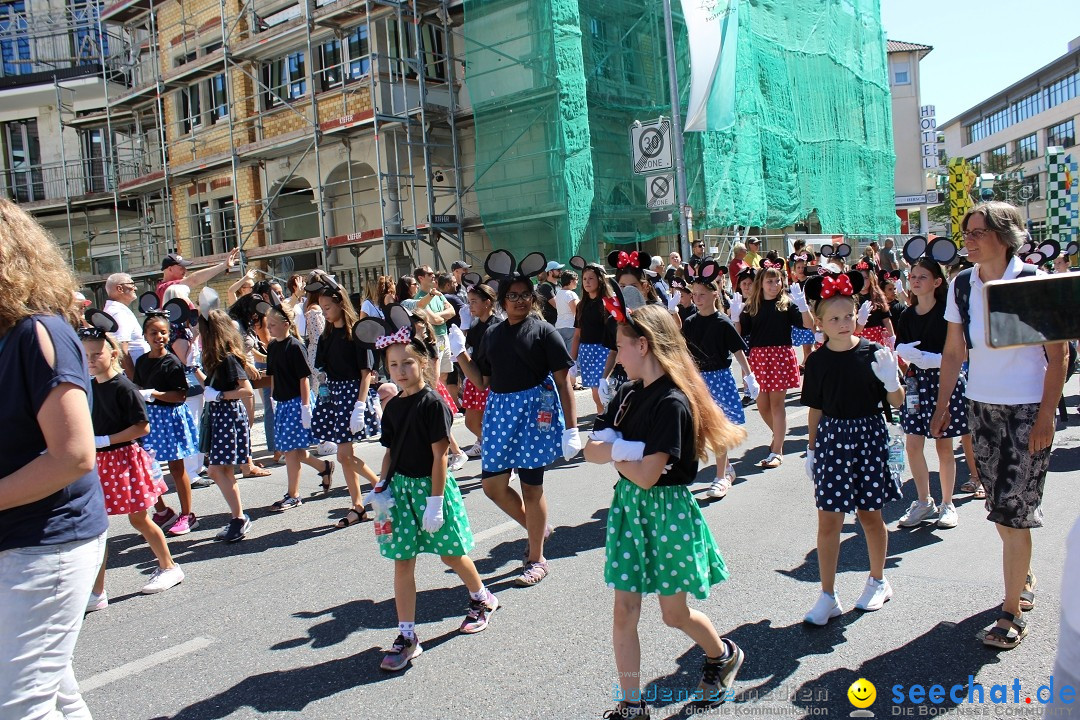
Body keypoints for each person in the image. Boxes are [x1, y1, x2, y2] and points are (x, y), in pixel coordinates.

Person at [584, 305, 746, 718]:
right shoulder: (627, 394)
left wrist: (618, 450)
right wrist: (628, 453)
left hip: (667, 509)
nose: (617, 356)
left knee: (674, 614)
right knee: (625, 609)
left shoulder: (672, 402)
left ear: (643, 344)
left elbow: (647, 476)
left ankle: (722, 654)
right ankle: (631, 704)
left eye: (621, 347)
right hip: (629, 509)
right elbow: (589, 451)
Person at [933, 201, 1067, 650]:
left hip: (1027, 410)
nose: (967, 239)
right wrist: (942, 405)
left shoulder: (1033, 282)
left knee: (1014, 512)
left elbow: (1058, 355)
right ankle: (1022, 573)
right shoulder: (962, 286)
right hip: (980, 409)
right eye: (966, 232)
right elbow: (954, 352)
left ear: (1005, 236)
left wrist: (1047, 416)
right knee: (998, 505)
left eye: (977, 232)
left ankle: (1011, 612)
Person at [0, 198, 107, 719]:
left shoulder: (38, 333)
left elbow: (73, 456)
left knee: (20, 707)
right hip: (19, 543)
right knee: (57, 698)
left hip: (45, 545)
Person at [359, 322, 497, 672]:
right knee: (403, 561)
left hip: (431, 489)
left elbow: (440, 457)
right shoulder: (392, 407)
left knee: (451, 554)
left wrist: (435, 502)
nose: (400, 371)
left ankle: (482, 597)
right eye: (393, 365)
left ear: (421, 362)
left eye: (407, 363)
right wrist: (381, 486)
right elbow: (389, 451)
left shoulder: (434, 403)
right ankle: (407, 635)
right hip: (401, 490)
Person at [457, 251, 580, 587]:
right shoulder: (493, 335)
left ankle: (537, 557)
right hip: (499, 413)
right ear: (503, 300)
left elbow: (563, 380)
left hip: (534, 413)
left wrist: (572, 428)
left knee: (530, 485)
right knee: (492, 486)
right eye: (513, 295)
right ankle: (536, 528)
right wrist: (458, 354)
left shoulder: (543, 331)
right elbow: (481, 380)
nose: (520, 300)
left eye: (526, 294)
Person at [801, 270, 904, 625]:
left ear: (858, 315)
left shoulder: (874, 352)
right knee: (828, 520)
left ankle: (879, 580)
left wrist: (892, 381)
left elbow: (898, 400)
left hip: (869, 436)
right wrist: (812, 449)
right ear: (820, 323)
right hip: (832, 439)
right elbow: (815, 408)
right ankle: (827, 595)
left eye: (849, 316)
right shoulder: (816, 361)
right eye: (834, 318)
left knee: (870, 516)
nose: (843, 323)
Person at [81, 315, 183, 607]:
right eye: (86, 354)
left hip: (124, 459)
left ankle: (169, 567)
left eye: (96, 353)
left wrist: (105, 440)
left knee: (139, 518)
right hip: (99, 462)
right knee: (97, 526)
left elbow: (143, 427)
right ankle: (97, 590)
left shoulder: (124, 387)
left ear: (113, 353)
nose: (91, 359)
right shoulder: (89, 387)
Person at [893, 258, 968, 530]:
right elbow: (900, 345)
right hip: (915, 383)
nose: (915, 280)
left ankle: (948, 504)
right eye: (913, 275)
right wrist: (903, 352)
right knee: (913, 444)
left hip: (944, 381)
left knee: (943, 444)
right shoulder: (906, 314)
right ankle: (924, 501)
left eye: (922, 276)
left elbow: (960, 351)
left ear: (937, 282)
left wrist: (932, 359)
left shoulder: (948, 313)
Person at [309, 273, 381, 527]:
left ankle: (378, 487)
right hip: (335, 397)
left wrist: (360, 406)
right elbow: (323, 367)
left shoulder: (358, 334)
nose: (325, 313)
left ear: (340, 303)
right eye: (323, 308)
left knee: (343, 455)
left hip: (353, 396)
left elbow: (366, 374)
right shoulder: (327, 336)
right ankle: (360, 504)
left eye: (328, 307)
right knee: (344, 455)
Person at [683, 262, 756, 498]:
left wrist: (749, 376)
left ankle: (721, 476)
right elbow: (683, 353)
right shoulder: (691, 323)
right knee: (700, 430)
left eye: (702, 294)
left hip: (720, 379)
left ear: (715, 293)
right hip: (698, 381)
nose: (697, 298)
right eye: (694, 294)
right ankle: (727, 469)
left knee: (719, 428)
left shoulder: (722, 322)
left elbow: (738, 352)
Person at [732, 266, 813, 468]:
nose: (774, 285)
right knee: (762, 406)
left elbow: (809, 325)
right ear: (761, 283)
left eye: (777, 281)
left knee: (777, 405)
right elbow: (739, 335)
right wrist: (735, 317)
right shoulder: (752, 306)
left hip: (780, 356)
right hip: (758, 358)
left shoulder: (787, 305)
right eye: (770, 281)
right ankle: (778, 437)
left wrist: (803, 306)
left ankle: (777, 450)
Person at [264, 302, 335, 511]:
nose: (269, 328)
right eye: (268, 324)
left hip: (297, 402)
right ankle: (324, 467)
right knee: (293, 450)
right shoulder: (272, 346)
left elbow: (304, 379)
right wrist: (273, 400)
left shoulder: (295, 346)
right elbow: (273, 376)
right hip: (283, 403)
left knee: (291, 451)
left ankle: (293, 495)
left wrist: (306, 408)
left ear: (286, 324)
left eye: (273, 324)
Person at [135, 311, 200, 536]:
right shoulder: (141, 361)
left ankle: (187, 514)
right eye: (154, 332)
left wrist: (155, 394)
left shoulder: (171, 361)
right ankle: (162, 511)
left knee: (176, 466)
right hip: (150, 419)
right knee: (149, 467)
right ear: (145, 335)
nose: (159, 336)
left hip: (170, 417)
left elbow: (180, 396)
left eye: (163, 332)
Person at [199, 309, 257, 542]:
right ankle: (238, 517)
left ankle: (239, 518)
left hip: (228, 415)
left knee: (216, 470)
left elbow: (246, 390)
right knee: (221, 470)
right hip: (221, 415)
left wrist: (220, 395)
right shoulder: (216, 358)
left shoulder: (229, 359)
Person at [459, 284, 501, 457]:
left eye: (474, 301)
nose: (471, 306)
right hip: (476, 379)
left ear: (487, 302)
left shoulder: (498, 325)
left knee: (492, 422)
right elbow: (472, 354)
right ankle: (494, 446)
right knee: (471, 422)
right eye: (469, 302)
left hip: (492, 381)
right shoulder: (475, 325)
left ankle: (501, 455)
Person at [572, 263, 618, 415]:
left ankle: (610, 421)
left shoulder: (608, 302)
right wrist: (572, 360)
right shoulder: (581, 305)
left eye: (591, 278)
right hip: (586, 352)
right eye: (584, 278)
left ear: (600, 280)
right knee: (595, 393)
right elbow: (577, 334)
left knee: (603, 392)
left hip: (605, 350)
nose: (587, 281)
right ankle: (601, 420)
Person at [303, 273, 333, 457]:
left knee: (321, 393)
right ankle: (324, 438)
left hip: (315, 352)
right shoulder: (315, 311)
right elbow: (321, 334)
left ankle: (324, 437)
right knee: (322, 393)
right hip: (318, 353)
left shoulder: (311, 308)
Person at [410, 266, 455, 388]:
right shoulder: (420, 299)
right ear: (421, 278)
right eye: (430, 274)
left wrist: (439, 316)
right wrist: (441, 317)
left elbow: (452, 311)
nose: (433, 276)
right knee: (435, 376)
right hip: (433, 340)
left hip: (444, 336)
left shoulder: (438, 294)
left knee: (444, 375)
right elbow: (434, 320)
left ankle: (445, 402)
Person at [103, 272, 150, 378]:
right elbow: (121, 348)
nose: (135, 288)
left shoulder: (117, 310)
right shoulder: (118, 312)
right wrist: (134, 381)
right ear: (120, 289)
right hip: (135, 376)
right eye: (132, 284)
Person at [157, 248, 238, 304]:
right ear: (170, 269)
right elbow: (193, 279)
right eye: (181, 267)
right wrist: (223, 266)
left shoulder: (167, 286)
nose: (185, 271)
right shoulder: (164, 287)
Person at [853, 261, 895, 345]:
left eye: (865, 278)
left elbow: (886, 320)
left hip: (877, 337)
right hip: (858, 337)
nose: (862, 281)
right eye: (860, 278)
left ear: (871, 279)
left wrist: (892, 336)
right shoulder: (852, 297)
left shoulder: (877, 296)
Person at [789, 255, 816, 369]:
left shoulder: (810, 282)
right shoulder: (794, 285)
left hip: (809, 316)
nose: (801, 270)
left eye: (803, 267)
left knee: (807, 346)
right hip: (798, 319)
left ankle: (807, 364)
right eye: (798, 267)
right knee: (803, 345)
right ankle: (806, 362)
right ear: (794, 270)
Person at [554, 269, 579, 350]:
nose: (577, 282)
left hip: (559, 327)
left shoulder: (558, 293)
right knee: (572, 356)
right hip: (571, 327)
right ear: (571, 281)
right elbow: (576, 312)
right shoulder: (571, 294)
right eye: (576, 280)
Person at [536, 261, 563, 326]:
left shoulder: (559, 285)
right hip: (551, 323)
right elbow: (557, 305)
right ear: (550, 272)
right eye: (558, 270)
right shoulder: (545, 287)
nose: (561, 272)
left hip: (559, 321)